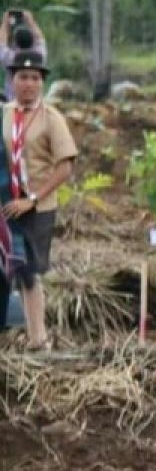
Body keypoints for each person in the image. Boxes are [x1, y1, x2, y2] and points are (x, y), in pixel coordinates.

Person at [2, 50, 77, 351]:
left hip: (37, 208)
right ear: (13, 80)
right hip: (7, 205)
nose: (29, 84)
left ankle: (38, 339)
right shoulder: (5, 113)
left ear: (42, 83)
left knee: (29, 272)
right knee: (7, 268)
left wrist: (32, 199)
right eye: (23, 77)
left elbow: (65, 166)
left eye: (34, 78)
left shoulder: (52, 118)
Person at [0, 9, 47, 102]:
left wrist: (5, 23)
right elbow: (40, 39)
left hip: (12, 103)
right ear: (32, 40)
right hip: (35, 104)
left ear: (15, 42)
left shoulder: (11, 58)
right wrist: (30, 21)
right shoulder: (40, 56)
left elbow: (2, 43)